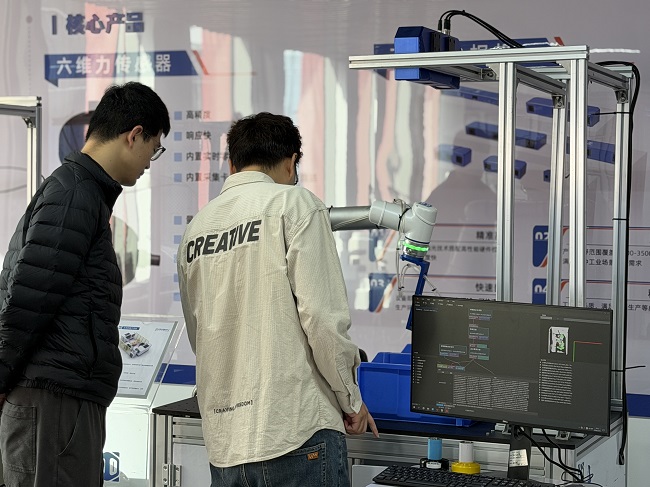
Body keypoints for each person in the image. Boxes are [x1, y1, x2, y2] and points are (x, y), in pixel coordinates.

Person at [177, 112, 379, 487]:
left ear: (233, 164)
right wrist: (351, 401)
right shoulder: (295, 204)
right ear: (290, 163)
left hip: (226, 444)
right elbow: (322, 321)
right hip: (295, 431)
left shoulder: (197, 228)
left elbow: (199, 336)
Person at [0, 81, 170, 487]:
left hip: (58, 396)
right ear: (134, 135)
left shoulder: (80, 192)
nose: (149, 163)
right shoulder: (75, 194)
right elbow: (30, 298)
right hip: (53, 399)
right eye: (154, 148)